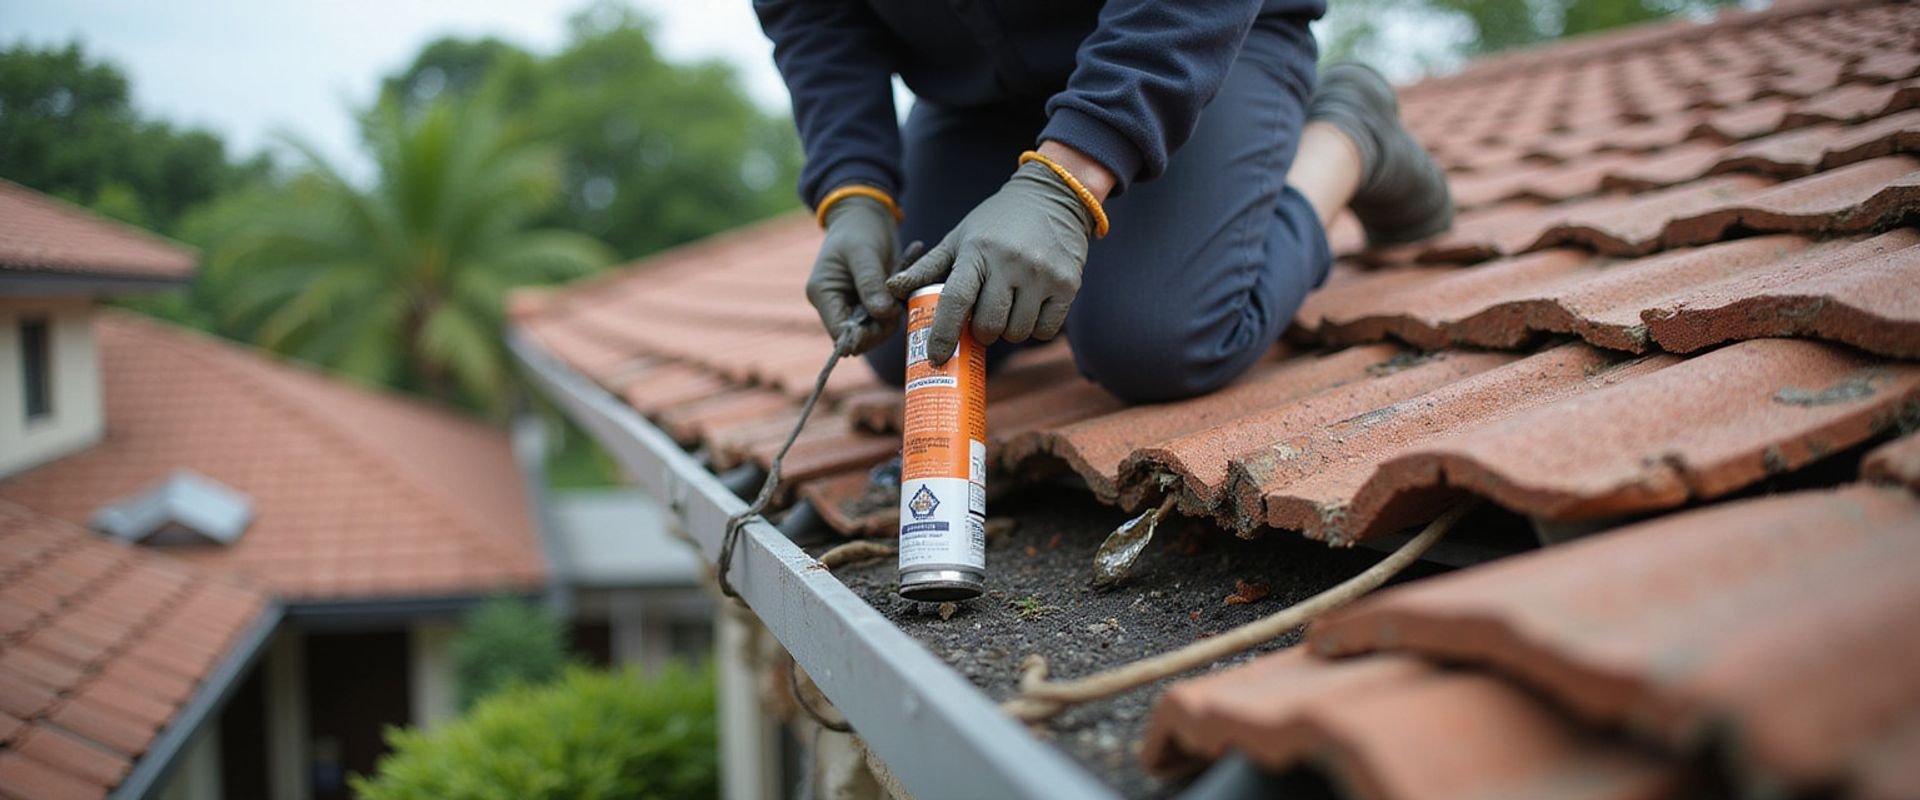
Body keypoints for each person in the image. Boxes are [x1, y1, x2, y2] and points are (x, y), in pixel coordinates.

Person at [754, 0, 1452, 403]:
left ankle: (1349, 135)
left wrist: (1064, 182)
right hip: (981, 97)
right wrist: (855, 192)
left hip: (1192, 38)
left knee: (1153, 339)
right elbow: (815, 20)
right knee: (914, 340)